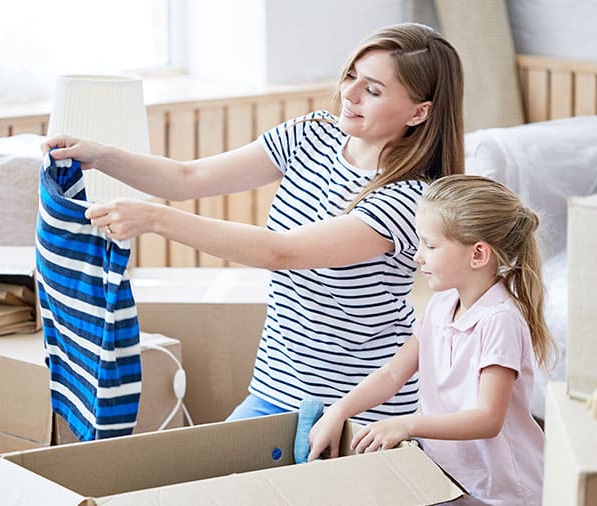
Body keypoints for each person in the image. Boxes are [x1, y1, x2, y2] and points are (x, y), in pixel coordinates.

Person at [41, 22, 465, 423]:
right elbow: (188, 177)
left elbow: (281, 252)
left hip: (359, 406)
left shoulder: (410, 198)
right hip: (275, 385)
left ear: (418, 113)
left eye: (372, 90)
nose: (348, 94)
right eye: (350, 75)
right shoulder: (311, 134)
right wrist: (102, 157)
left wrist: (154, 218)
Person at [308, 174, 556, 505]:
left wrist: (407, 425)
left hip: (503, 493)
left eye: (431, 245)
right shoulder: (441, 305)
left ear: (478, 255)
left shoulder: (500, 321)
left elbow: (488, 419)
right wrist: (338, 411)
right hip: (453, 480)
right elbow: (393, 374)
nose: (418, 256)